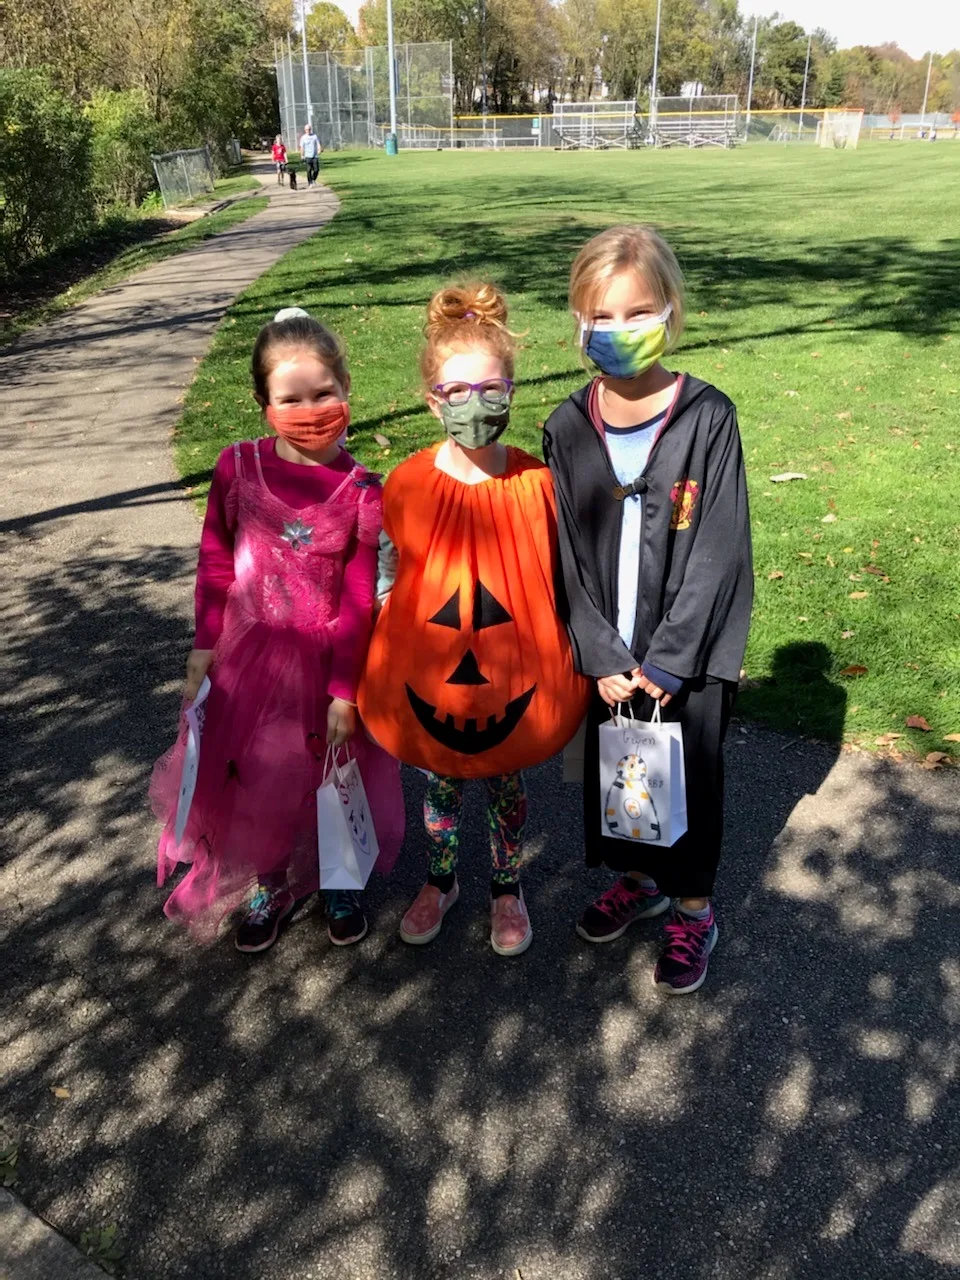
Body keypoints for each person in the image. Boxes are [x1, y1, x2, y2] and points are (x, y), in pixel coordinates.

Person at [150, 307, 404, 952]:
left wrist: (346, 688)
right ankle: (272, 881)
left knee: (332, 770)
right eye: (291, 398)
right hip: (250, 655)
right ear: (263, 402)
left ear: (347, 389)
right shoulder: (238, 467)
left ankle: (340, 879)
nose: (311, 409)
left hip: (329, 659)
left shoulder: (360, 489)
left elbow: (357, 596)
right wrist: (204, 646)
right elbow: (214, 561)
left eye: (324, 393)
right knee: (258, 772)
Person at [542, 226, 753, 995]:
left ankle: (693, 909)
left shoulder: (706, 420)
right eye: (603, 316)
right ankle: (642, 879)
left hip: (682, 658)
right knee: (627, 778)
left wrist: (670, 658)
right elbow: (564, 549)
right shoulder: (567, 427)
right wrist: (599, 652)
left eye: (639, 312)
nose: (621, 329)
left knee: (687, 782)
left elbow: (719, 547)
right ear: (579, 323)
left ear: (670, 309)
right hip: (610, 657)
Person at [359, 283, 589, 958]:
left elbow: (559, 581)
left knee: (505, 782)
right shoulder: (404, 485)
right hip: (431, 675)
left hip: (511, 678)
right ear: (433, 400)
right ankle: (440, 880)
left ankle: (506, 888)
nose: (475, 404)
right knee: (440, 779)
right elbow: (390, 568)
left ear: (513, 389)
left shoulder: (538, 488)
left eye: (491, 388)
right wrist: (384, 628)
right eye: (457, 392)